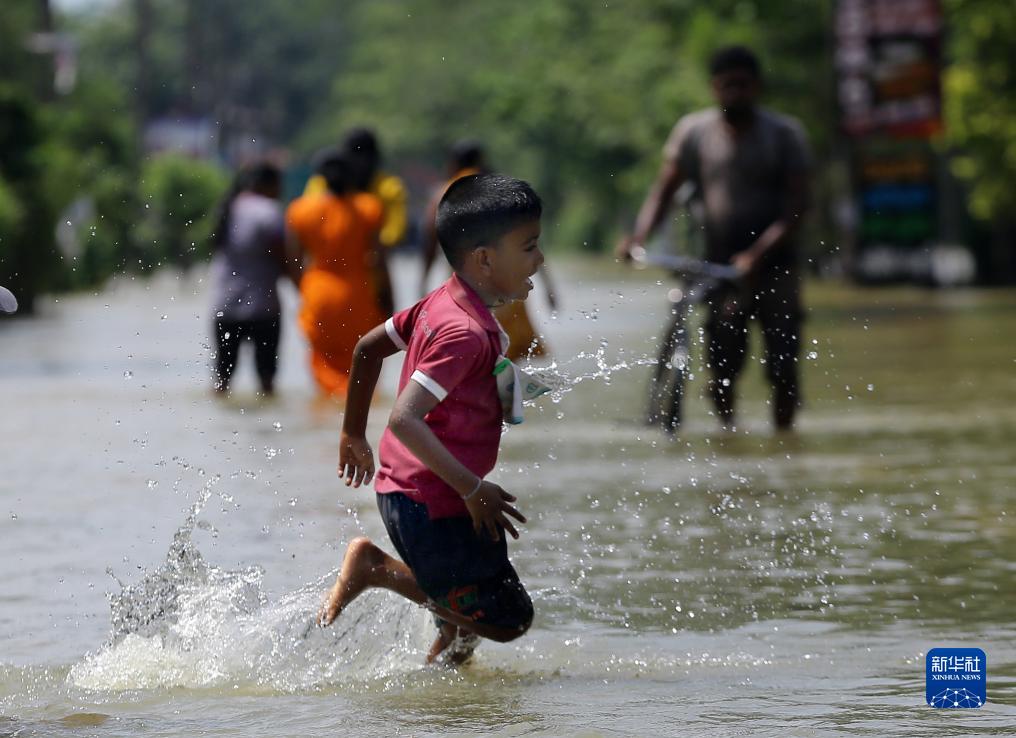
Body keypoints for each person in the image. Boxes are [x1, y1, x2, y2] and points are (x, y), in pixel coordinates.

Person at [317, 173, 543, 664]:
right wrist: (471, 488)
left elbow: (368, 348)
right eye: (529, 248)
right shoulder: (463, 333)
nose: (540, 260)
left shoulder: (444, 303)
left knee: (465, 623)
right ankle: (374, 568)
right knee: (506, 618)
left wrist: (353, 430)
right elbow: (404, 419)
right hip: (432, 501)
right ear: (485, 259)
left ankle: (438, 701)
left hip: (421, 491)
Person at [618, 45, 811, 431]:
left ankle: (785, 443)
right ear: (714, 87)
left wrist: (757, 255)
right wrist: (637, 237)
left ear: (756, 87)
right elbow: (664, 191)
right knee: (722, 367)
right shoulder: (694, 133)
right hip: (718, 270)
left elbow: (798, 208)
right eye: (727, 85)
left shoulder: (785, 135)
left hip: (774, 269)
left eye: (742, 85)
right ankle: (729, 438)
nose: (735, 93)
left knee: (783, 367)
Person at [420, 140, 557, 360]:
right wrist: (549, 287)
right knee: (509, 370)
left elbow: (428, 243)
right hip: (509, 288)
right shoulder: (499, 192)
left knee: (477, 362)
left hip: (471, 292)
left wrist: (423, 283)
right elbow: (528, 243)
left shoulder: (445, 194)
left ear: (453, 163)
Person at [286, 152, 394, 397]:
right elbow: (379, 261)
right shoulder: (369, 208)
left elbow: (293, 263)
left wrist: (306, 293)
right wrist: (389, 300)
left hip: (318, 294)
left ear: (321, 179)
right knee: (361, 370)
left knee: (324, 370)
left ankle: (324, 426)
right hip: (359, 295)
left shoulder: (300, 210)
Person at [209, 161, 287, 396]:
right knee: (267, 384)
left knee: (221, 381)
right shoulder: (269, 211)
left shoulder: (227, 208)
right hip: (263, 306)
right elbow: (282, 257)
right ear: (268, 184)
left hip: (226, 306)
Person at [304, 128, 409, 250]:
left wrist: (358, 241)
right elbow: (308, 221)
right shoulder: (322, 183)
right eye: (356, 156)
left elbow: (395, 232)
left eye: (367, 157)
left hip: (371, 260)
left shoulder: (391, 188)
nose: (361, 163)